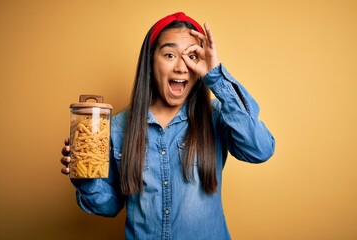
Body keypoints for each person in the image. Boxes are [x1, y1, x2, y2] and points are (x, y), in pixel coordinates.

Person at [61, 12, 275, 240]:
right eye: (170, 54)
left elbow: (259, 149)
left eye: (192, 56)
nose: (182, 67)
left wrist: (216, 77)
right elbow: (110, 206)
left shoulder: (217, 116)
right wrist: (86, 180)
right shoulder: (118, 128)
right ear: (151, 61)